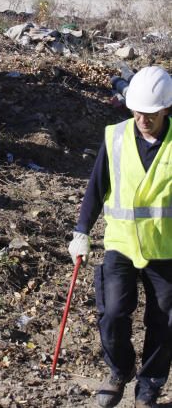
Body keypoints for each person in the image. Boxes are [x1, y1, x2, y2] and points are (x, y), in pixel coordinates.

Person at [68, 66, 172, 408]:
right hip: (121, 244)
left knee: (163, 320)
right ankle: (119, 371)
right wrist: (81, 230)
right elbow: (96, 188)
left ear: (166, 109)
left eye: (151, 113)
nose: (143, 118)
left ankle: (150, 385)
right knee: (113, 312)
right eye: (138, 111)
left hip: (165, 249)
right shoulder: (115, 137)